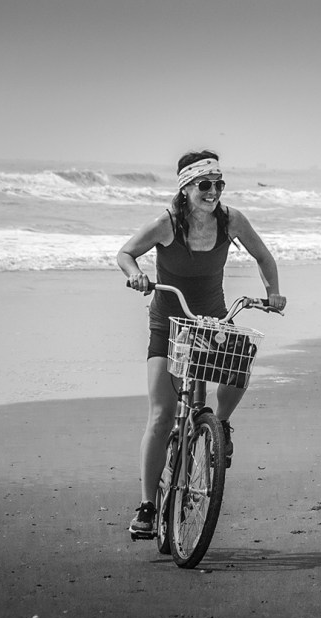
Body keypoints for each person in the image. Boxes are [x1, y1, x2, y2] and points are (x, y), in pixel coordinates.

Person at [118, 150, 287, 535]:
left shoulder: (231, 221)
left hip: (213, 320)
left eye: (218, 185)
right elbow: (125, 253)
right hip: (169, 322)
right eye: (205, 185)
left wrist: (273, 292)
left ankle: (220, 424)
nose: (213, 193)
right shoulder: (167, 225)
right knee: (161, 415)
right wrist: (136, 275)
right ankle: (146, 507)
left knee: (239, 365)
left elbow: (264, 257)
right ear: (186, 188)